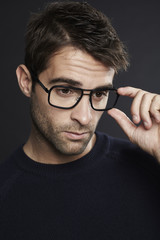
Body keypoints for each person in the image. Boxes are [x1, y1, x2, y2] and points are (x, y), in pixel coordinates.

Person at [0, 1, 160, 239]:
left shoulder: (151, 166)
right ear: (26, 81)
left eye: (99, 94)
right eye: (65, 90)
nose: (84, 117)